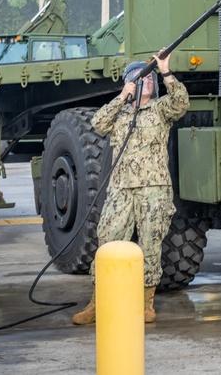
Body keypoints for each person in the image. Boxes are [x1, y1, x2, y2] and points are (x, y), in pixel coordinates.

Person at [72, 49, 189, 325]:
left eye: (149, 79)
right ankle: (98, 302)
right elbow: (98, 123)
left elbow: (181, 103)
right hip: (121, 189)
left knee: (150, 244)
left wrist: (165, 71)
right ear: (129, 82)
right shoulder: (120, 114)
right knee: (109, 239)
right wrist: (121, 97)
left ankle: (146, 302)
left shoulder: (160, 110)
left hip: (154, 190)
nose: (145, 82)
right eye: (139, 78)